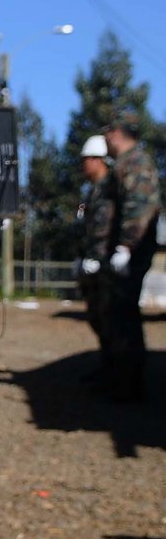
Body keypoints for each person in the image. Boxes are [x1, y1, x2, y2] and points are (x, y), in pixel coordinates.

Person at [98, 109, 162, 402]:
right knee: (115, 314)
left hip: (131, 253)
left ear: (116, 132)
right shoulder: (125, 163)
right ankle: (117, 378)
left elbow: (140, 206)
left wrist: (125, 246)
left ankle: (130, 385)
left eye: (107, 132)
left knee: (124, 316)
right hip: (122, 252)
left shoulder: (136, 163)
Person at [76, 134, 114, 382]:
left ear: (99, 160)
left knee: (111, 320)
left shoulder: (110, 189)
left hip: (106, 266)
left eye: (87, 159)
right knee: (98, 318)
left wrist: (96, 258)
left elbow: (106, 227)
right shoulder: (92, 192)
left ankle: (117, 374)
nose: (84, 165)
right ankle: (107, 368)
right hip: (92, 264)